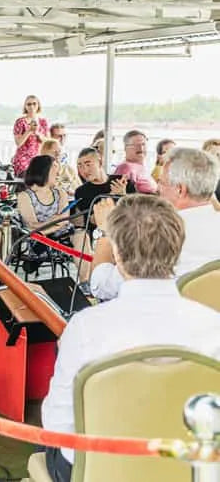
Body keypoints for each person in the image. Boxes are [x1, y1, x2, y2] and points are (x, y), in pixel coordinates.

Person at [41, 194, 220, 482]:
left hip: (99, 471)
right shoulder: (214, 326)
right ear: (177, 249)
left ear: (117, 255)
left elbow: (56, 424)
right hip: (191, 470)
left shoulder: (86, 327)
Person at [90, 148, 220, 301]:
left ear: (179, 189)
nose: (157, 188)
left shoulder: (154, 234)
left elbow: (103, 288)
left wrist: (105, 232)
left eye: (162, 182)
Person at [17, 155, 91, 282]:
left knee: (82, 236)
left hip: (60, 235)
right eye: (55, 169)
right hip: (37, 239)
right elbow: (31, 225)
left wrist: (48, 226)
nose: (58, 173)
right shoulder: (25, 196)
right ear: (44, 170)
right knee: (42, 236)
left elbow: (64, 221)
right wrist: (53, 221)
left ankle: (85, 282)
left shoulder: (60, 192)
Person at [73, 146, 135, 233]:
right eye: (80, 166)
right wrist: (112, 196)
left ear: (100, 162)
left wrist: (123, 196)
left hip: (125, 232)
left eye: (88, 164)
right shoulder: (81, 192)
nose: (84, 170)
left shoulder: (122, 182)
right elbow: (93, 220)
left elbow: (136, 214)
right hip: (99, 235)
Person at [11, 95, 48, 177]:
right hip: (23, 159)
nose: (32, 106)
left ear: (38, 105)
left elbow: (47, 142)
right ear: (25, 106)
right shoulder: (20, 122)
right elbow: (18, 143)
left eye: (34, 104)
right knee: (30, 178)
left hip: (38, 159)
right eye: (29, 104)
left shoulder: (43, 122)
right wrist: (29, 131)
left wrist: (37, 133)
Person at [113, 129, 157, 194]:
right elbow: (121, 197)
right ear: (125, 148)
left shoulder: (142, 167)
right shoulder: (125, 167)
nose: (141, 148)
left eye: (143, 144)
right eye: (135, 145)